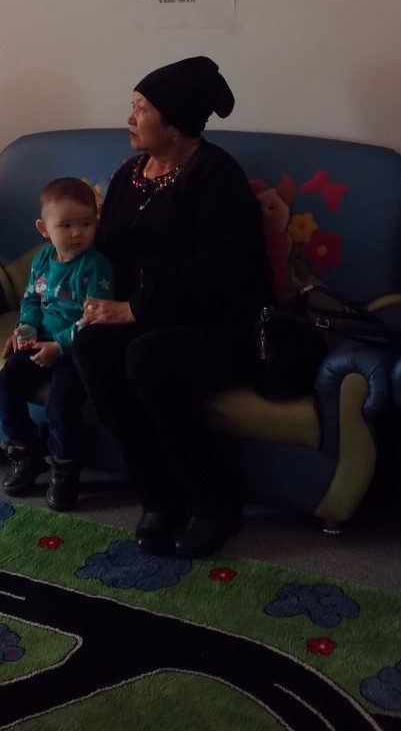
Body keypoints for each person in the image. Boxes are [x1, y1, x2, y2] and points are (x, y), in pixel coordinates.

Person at [72, 56, 272, 559]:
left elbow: (216, 271)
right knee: (92, 344)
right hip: (150, 314)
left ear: (176, 122)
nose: (130, 118)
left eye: (141, 108)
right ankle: (158, 497)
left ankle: (214, 505)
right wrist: (78, 299)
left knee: (148, 357)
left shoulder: (217, 177)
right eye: (133, 105)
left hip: (223, 322)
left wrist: (134, 310)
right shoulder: (130, 174)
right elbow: (107, 251)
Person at [0, 176, 113, 512]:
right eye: (66, 225)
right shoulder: (42, 260)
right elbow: (32, 298)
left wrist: (59, 347)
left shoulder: (97, 267)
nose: (77, 233)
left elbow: (95, 319)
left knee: (61, 402)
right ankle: (27, 451)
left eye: (86, 224)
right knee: (4, 386)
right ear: (44, 229)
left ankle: (65, 468)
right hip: (40, 340)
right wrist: (26, 327)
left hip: (75, 349)